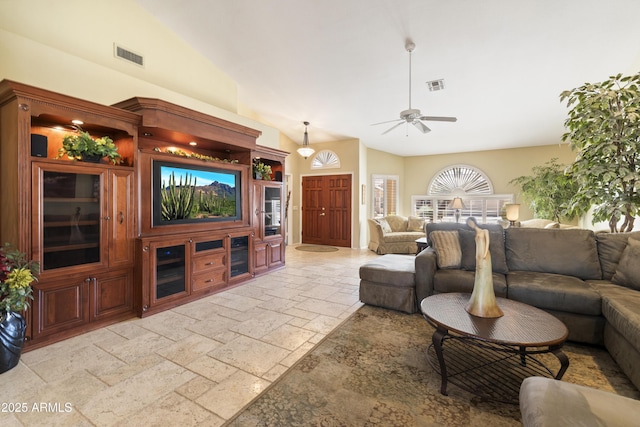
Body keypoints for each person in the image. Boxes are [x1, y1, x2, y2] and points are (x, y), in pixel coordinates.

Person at [465, 217, 503, 318]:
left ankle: (486, 303)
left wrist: (484, 254)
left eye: (471, 222)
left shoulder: (485, 231)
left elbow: (487, 244)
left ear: (474, 221)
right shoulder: (475, 235)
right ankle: (477, 302)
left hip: (485, 256)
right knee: (479, 278)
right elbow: (477, 246)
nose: (471, 225)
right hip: (478, 257)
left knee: (484, 278)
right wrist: (477, 257)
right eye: (469, 224)